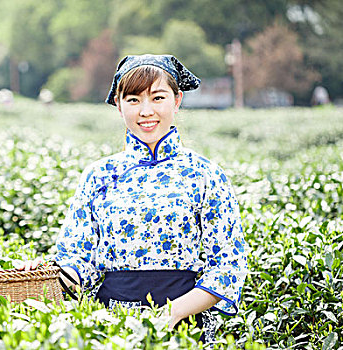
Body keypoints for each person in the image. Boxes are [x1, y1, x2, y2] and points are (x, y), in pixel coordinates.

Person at [51, 54, 248, 342]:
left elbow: (228, 264)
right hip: (111, 329)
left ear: (177, 100)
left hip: (184, 327)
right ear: (118, 105)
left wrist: (171, 313)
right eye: (133, 100)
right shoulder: (98, 175)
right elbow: (78, 260)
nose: (146, 111)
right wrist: (47, 273)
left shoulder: (205, 175)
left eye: (157, 98)